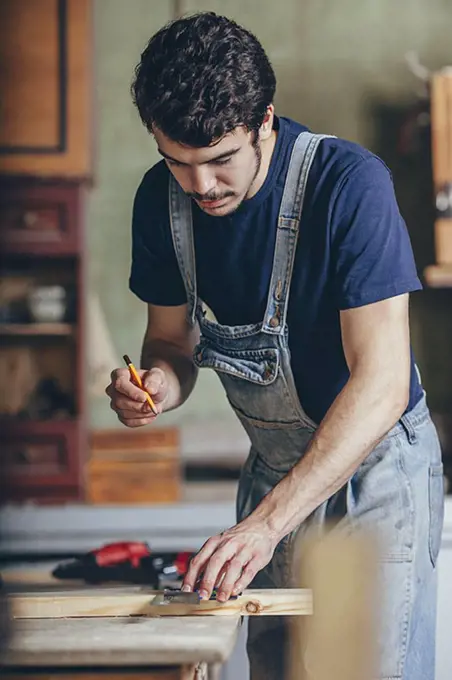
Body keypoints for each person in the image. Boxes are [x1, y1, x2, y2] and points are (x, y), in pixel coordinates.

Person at [106, 11, 445, 680]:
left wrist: (263, 527)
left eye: (220, 160)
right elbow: (170, 342)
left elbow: (379, 385)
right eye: (177, 162)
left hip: (372, 475)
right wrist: (155, 387)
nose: (200, 187)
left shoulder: (349, 185)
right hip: (273, 473)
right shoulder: (162, 203)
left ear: (264, 119)